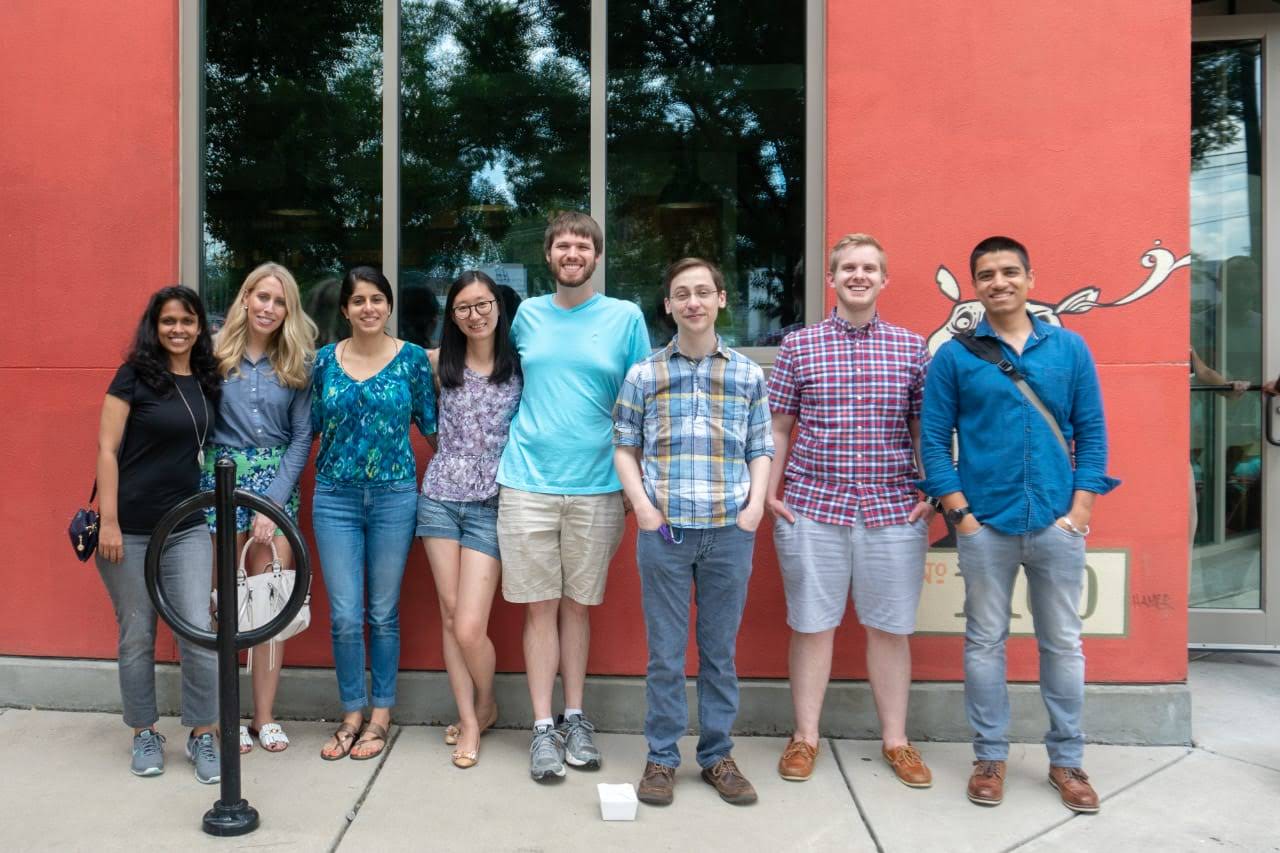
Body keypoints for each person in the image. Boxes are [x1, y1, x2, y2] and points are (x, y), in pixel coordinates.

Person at [918, 236, 1119, 813]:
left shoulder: (1069, 348)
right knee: (984, 641)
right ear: (975, 285)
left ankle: (1067, 760)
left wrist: (1079, 511)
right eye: (986, 275)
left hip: (1056, 521)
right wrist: (961, 514)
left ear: (1030, 277)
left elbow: (1093, 432)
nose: (998, 282)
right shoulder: (955, 357)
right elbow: (933, 440)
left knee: (1063, 642)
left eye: (1009, 272)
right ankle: (989, 756)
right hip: (986, 523)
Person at [765, 233, 935, 788]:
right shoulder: (799, 347)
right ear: (831, 279)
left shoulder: (912, 349)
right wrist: (769, 491)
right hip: (813, 506)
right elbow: (780, 426)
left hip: (891, 508)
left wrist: (930, 490)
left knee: (889, 630)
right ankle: (805, 737)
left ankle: (897, 742)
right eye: (847, 268)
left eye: (869, 268)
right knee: (812, 627)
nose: (858, 275)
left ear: (884, 280)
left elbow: (923, 428)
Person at [496, 211, 651, 782]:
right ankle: (542, 727)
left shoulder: (624, 317)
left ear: (596, 255)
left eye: (582, 245)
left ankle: (576, 717)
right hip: (528, 479)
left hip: (599, 483)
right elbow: (491, 374)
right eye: (563, 245)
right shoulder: (526, 316)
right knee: (538, 606)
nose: (572, 253)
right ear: (549, 255)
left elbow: (644, 401)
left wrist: (640, 484)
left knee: (577, 606)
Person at [614, 258, 773, 807]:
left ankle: (717, 756)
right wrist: (643, 508)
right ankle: (661, 758)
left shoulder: (749, 374)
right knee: (664, 653)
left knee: (719, 652)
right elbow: (624, 447)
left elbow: (761, 448)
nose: (693, 302)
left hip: (730, 530)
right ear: (668, 305)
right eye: (682, 294)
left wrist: (753, 508)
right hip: (666, 534)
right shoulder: (645, 374)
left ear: (721, 300)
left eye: (703, 292)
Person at [94, 285, 223, 783]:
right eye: (169, 321)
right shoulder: (133, 376)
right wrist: (109, 522)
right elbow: (106, 450)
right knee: (137, 636)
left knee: (198, 630)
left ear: (198, 326)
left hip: (187, 526)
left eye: (187, 321)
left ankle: (203, 734)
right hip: (128, 530)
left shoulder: (208, 380)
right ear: (155, 325)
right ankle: (143, 733)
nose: (177, 329)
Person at [313, 266, 437, 761]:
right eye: (358, 301)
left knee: (382, 612)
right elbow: (309, 429)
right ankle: (351, 712)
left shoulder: (411, 361)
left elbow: (432, 429)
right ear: (345, 310)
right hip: (334, 498)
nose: (368, 308)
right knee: (345, 615)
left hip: (394, 497)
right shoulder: (324, 361)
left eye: (377, 300)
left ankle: (381, 714)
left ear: (388, 306)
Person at [204, 262, 316, 754]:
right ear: (245, 298)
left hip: (276, 483)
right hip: (219, 481)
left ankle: (264, 717)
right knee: (226, 601)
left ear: (288, 310)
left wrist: (272, 504)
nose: (269, 308)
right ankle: (227, 711)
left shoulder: (296, 362)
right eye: (262, 297)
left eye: (279, 301)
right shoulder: (213, 355)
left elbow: (300, 437)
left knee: (271, 597)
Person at [419, 271, 522, 769]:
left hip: (490, 503)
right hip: (439, 497)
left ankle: (485, 699)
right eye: (463, 307)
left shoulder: (520, 367)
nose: (474, 315)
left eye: (482, 305)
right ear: (452, 315)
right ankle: (471, 720)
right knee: (447, 611)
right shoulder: (438, 363)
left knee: (468, 625)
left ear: (498, 308)